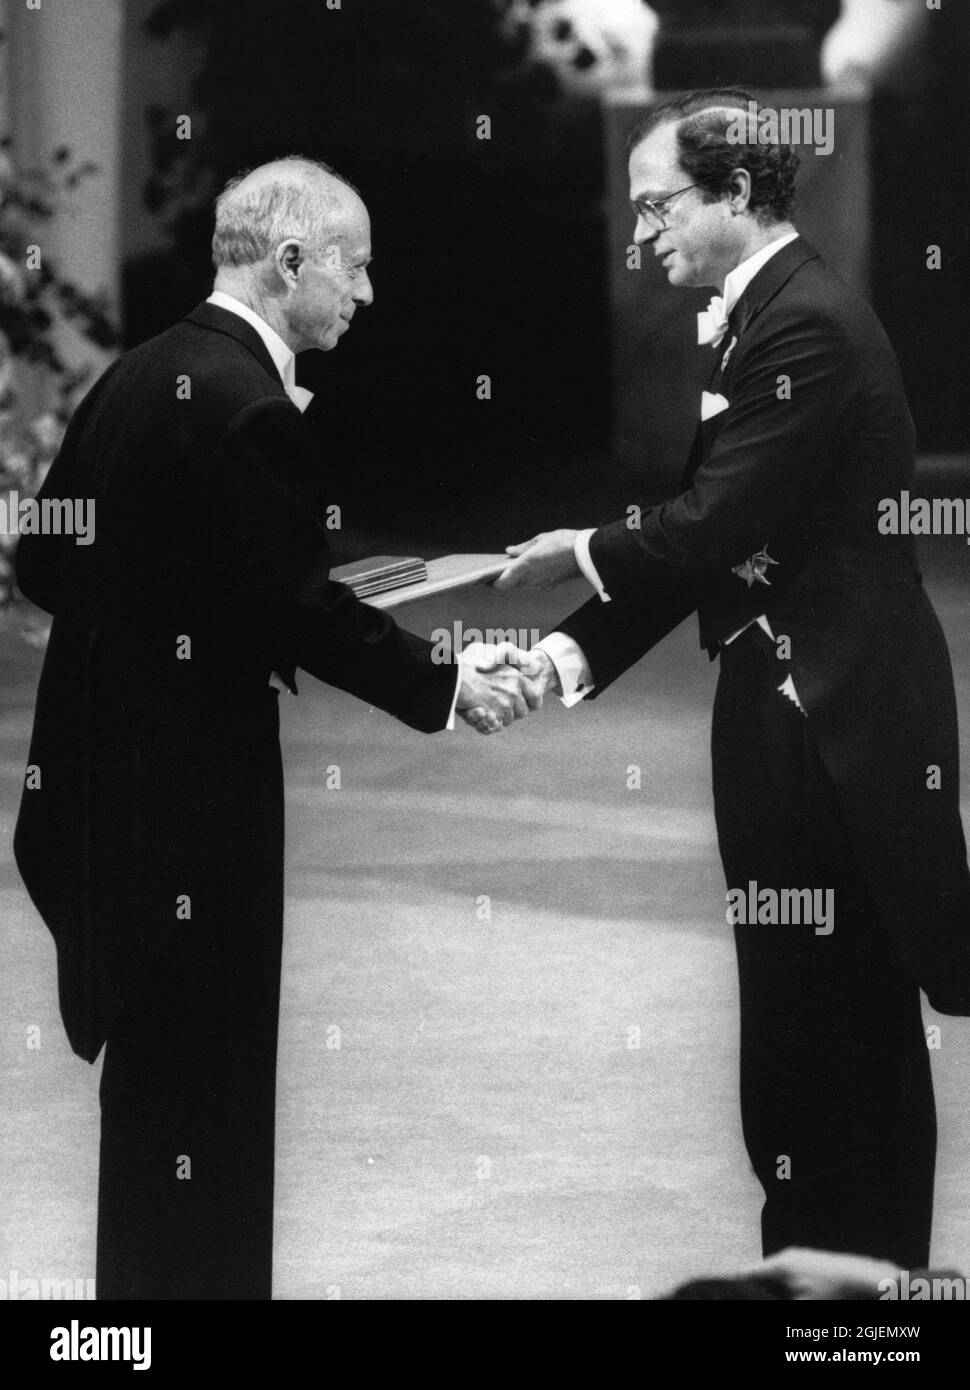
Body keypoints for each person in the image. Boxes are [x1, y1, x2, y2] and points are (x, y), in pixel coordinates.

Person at [14, 156, 539, 1300]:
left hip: (106, 799)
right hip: (197, 814)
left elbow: (43, 561)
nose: (365, 293)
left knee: (153, 1111)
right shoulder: (251, 403)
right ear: (290, 259)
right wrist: (447, 685)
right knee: (212, 1099)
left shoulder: (136, 373)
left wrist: (180, 614)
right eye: (353, 266)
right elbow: (298, 608)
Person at [495, 89, 970, 1267]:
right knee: (801, 1023)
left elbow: (707, 524)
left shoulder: (804, 325)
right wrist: (563, 654)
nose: (640, 230)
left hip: (837, 720)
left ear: (739, 194)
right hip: (785, 713)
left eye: (657, 206)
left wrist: (583, 549)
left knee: (841, 1023)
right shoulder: (766, 318)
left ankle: (856, 1303)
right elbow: (718, 533)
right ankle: (811, 1276)